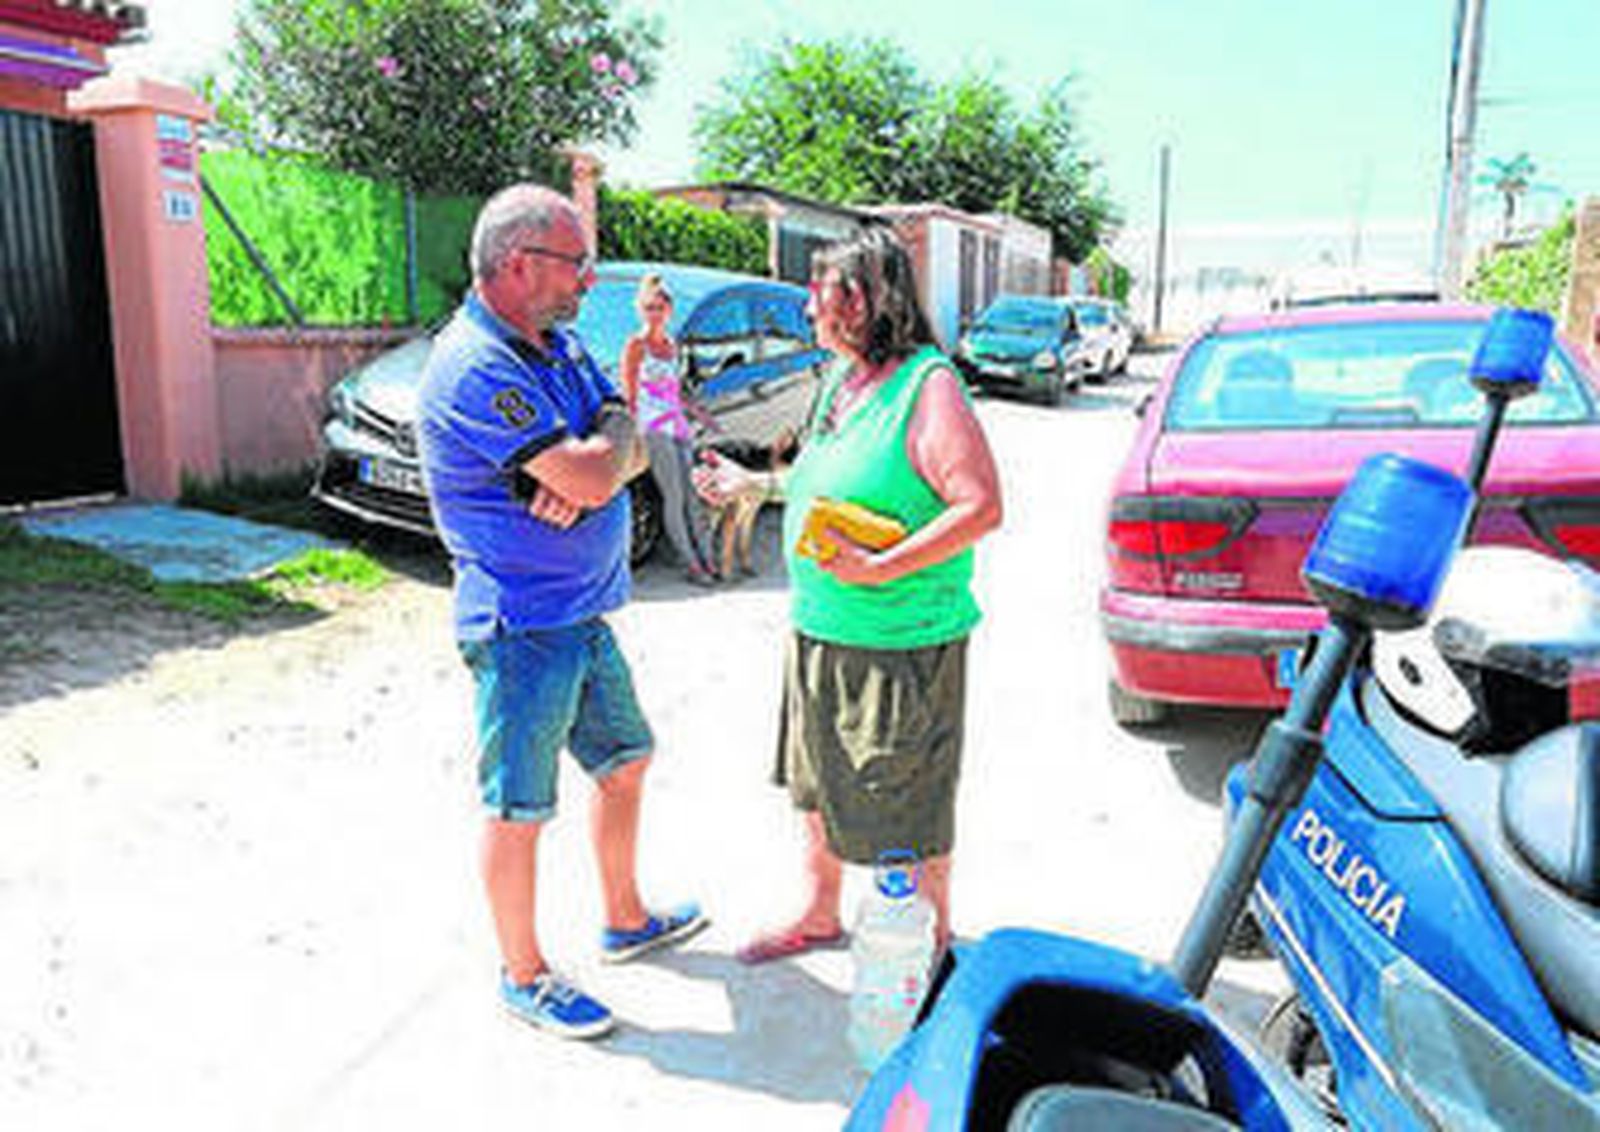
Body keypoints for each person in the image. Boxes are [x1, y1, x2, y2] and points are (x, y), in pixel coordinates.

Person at [416, 185, 705, 1040]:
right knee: (519, 807)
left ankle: (624, 917)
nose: (588, 279)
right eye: (575, 263)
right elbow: (587, 473)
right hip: (522, 627)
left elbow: (626, 438)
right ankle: (524, 975)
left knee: (626, 760)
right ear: (517, 264)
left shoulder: (557, 347)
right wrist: (593, 464)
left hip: (580, 615)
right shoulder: (476, 362)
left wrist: (605, 444)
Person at [694, 226, 1003, 963]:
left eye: (818, 291)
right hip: (821, 628)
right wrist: (756, 485)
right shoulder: (840, 380)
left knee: (908, 799)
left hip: (901, 641)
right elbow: (817, 478)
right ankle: (821, 912)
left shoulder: (928, 386)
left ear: (861, 299)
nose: (806, 306)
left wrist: (882, 567)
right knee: (816, 782)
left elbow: (981, 506)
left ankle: (930, 941)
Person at [618, 274, 719, 583]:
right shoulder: (636, 345)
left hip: (677, 425)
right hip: (654, 428)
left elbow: (674, 392)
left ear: (669, 310)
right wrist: (633, 431)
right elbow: (630, 395)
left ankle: (709, 557)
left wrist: (699, 414)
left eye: (659, 307)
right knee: (673, 497)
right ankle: (693, 565)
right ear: (640, 310)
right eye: (649, 307)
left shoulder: (671, 345)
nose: (654, 313)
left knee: (694, 495)